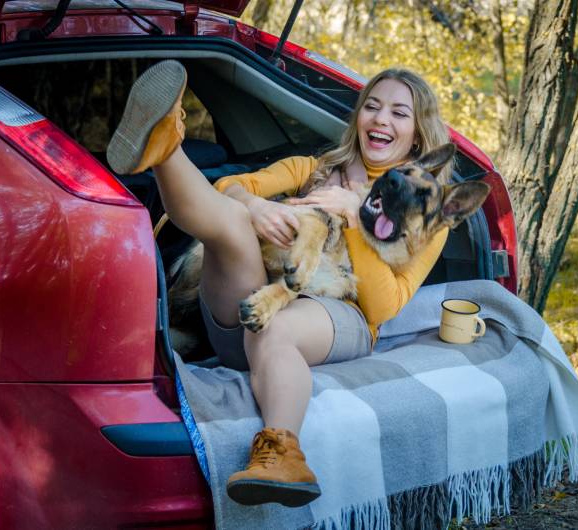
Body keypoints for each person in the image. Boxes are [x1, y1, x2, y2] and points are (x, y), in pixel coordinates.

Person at [106, 60, 451, 508]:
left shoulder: (428, 214)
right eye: (372, 106)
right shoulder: (312, 168)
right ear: (359, 117)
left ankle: (282, 453)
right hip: (247, 313)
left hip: (336, 317)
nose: (381, 119)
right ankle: (165, 148)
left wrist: (354, 216)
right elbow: (230, 186)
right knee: (230, 220)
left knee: (277, 327)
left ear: (418, 134)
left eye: (399, 113)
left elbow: (384, 306)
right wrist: (254, 206)